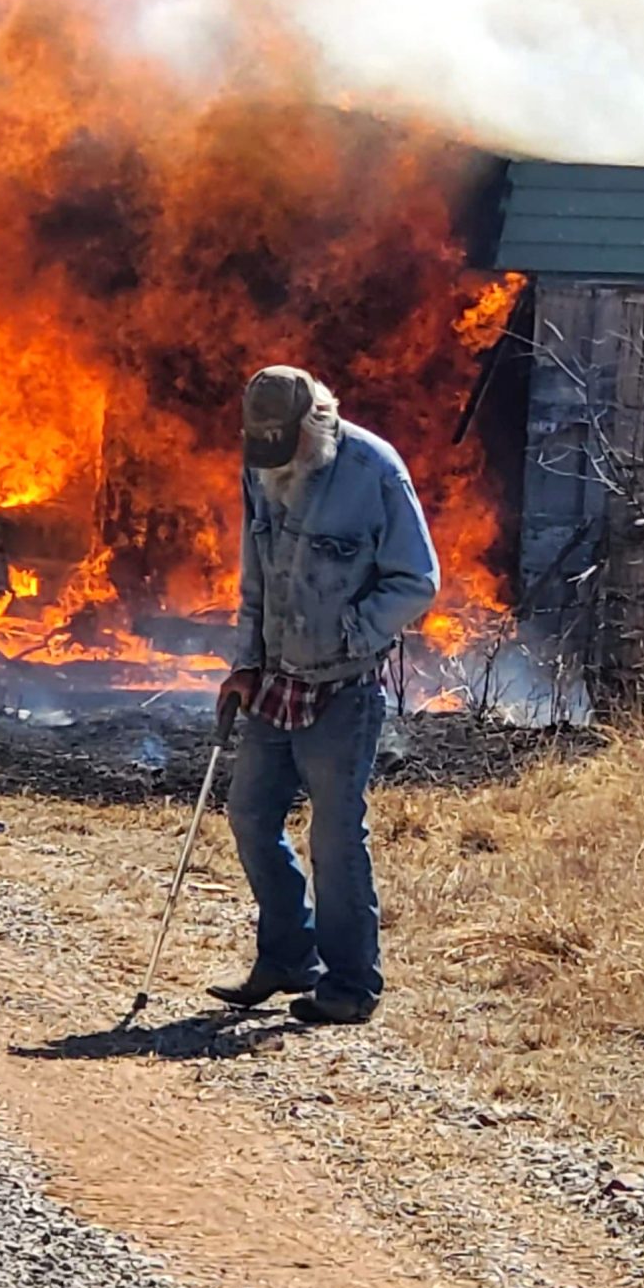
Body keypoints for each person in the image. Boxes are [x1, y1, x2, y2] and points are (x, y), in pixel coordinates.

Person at [209, 365, 439, 1025]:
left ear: (318, 423)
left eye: (290, 446)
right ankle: (286, 957)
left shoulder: (374, 470)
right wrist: (246, 663)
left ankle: (350, 985)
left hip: (343, 687)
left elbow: (416, 580)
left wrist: (353, 634)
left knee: (335, 838)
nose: (278, 462)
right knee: (250, 813)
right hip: (277, 680)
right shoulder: (260, 466)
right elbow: (255, 576)